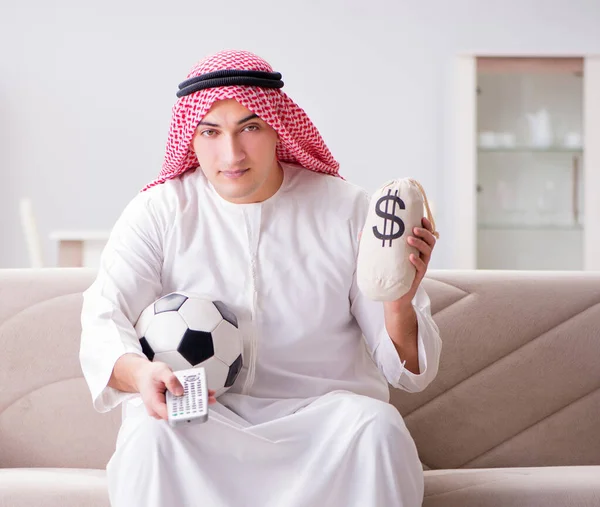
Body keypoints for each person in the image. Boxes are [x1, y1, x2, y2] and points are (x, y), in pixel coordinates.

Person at [79, 49, 442, 507]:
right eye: (210, 132)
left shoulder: (348, 209)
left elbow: (405, 373)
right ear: (191, 138)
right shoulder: (160, 211)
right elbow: (103, 317)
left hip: (322, 422)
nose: (230, 153)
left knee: (379, 428)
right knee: (150, 435)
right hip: (204, 418)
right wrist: (141, 372)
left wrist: (399, 303)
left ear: (277, 130)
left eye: (249, 127)